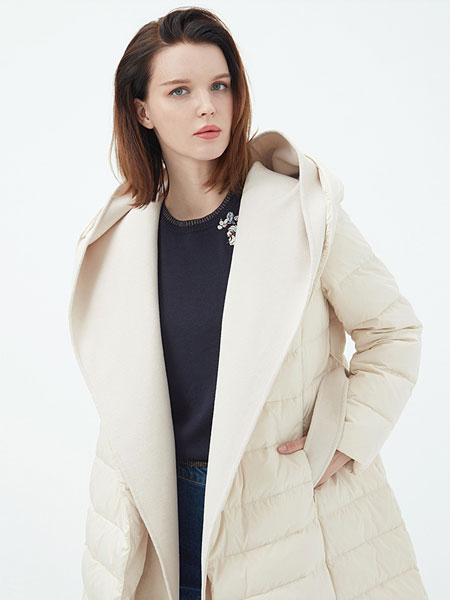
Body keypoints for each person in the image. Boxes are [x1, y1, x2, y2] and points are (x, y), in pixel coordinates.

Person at [69, 7, 428, 600]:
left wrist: (342, 441)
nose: (207, 107)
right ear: (142, 111)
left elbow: (394, 331)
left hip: (280, 506)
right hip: (157, 514)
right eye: (179, 91)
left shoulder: (301, 212)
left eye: (220, 85)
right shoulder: (118, 237)